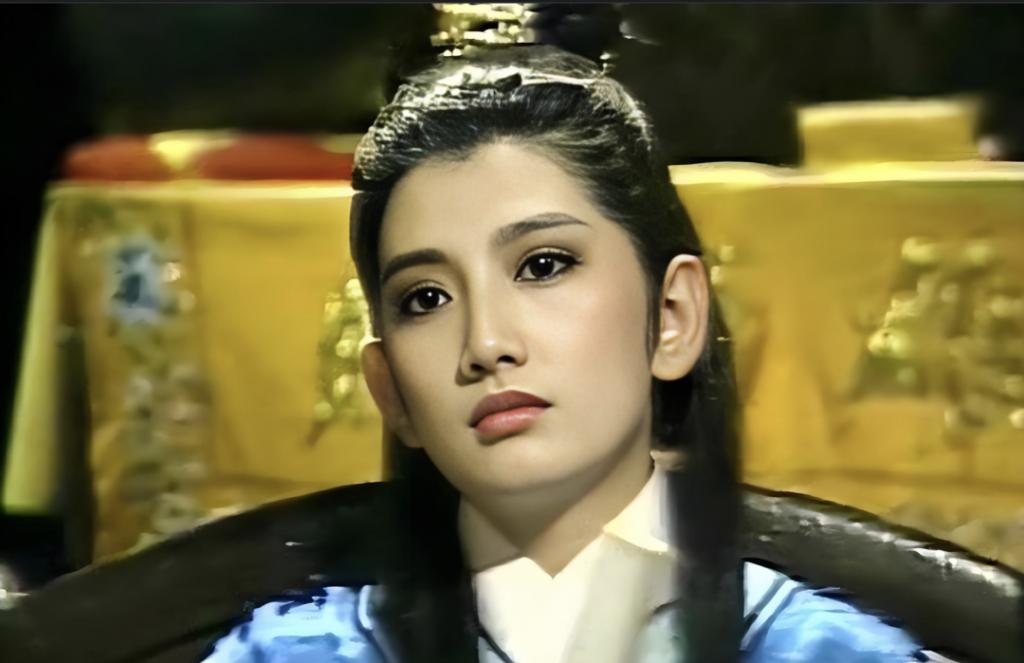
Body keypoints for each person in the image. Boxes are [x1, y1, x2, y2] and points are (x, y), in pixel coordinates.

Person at [201, 46, 923, 663]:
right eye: (426, 298)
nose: (487, 344)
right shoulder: (294, 654)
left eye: (543, 265)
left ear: (672, 316)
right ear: (389, 390)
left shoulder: (824, 651)